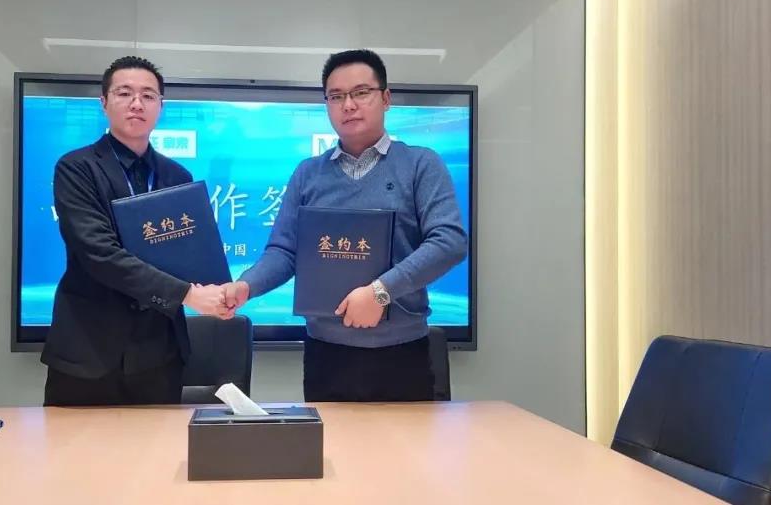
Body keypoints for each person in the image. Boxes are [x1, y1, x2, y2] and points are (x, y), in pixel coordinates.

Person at [222, 49, 467, 402]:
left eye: (361, 92)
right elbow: (285, 251)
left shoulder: (420, 165)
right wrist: (247, 285)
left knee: (405, 442)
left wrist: (380, 292)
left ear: (386, 99)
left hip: (403, 354)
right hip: (326, 354)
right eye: (336, 96)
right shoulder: (308, 173)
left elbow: (448, 241)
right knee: (330, 440)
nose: (348, 105)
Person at [41, 55, 231, 407]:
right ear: (104, 102)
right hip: (89, 351)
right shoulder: (77, 168)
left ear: (161, 106)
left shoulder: (177, 177)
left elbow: (191, 255)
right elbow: (99, 254)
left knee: (159, 443)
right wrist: (188, 294)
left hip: (159, 354)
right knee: (73, 445)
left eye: (148, 95)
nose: (137, 103)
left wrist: (221, 292)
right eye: (124, 93)